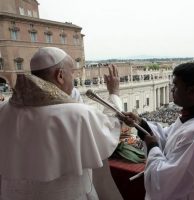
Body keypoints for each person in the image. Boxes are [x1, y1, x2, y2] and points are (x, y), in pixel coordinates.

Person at [0, 47, 123, 200]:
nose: (74, 77)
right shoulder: (78, 115)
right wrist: (114, 93)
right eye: (72, 72)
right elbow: (110, 128)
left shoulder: (3, 110)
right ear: (60, 75)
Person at [121, 62, 194, 200]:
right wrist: (140, 123)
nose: (172, 89)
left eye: (175, 85)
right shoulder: (191, 119)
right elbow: (167, 137)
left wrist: (152, 146)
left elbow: (163, 183)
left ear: (192, 91)